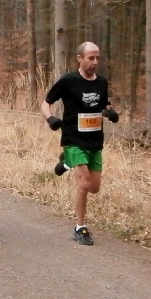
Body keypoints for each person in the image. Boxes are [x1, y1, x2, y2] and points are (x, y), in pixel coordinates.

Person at [40, 41, 119, 246]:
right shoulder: (68, 81)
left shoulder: (101, 82)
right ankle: (80, 227)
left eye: (97, 58)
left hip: (94, 140)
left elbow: (104, 104)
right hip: (73, 139)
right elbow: (45, 103)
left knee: (94, 187)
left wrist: (110, 113)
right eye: (91, 58)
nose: (95, 62)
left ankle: (66, 162)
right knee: (83, 183)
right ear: (80, 58)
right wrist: (50, 118)